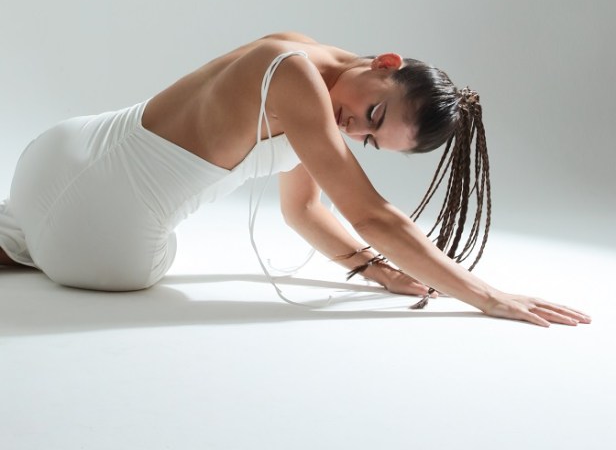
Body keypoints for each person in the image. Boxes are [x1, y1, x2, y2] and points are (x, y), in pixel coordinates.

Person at [0, 31, 590, 327]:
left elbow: (303, 211)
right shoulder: (298, 82)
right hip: (103, 245)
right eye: (374, 113)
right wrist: (487, 296)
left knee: (42, 226)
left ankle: (30, 238)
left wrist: (378, 270)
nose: (353, 128)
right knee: (154, 258)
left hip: (49, 158)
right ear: (387, 62)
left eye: (369, 139)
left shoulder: (300, 57)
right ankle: (47, 244)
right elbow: (371, 214)